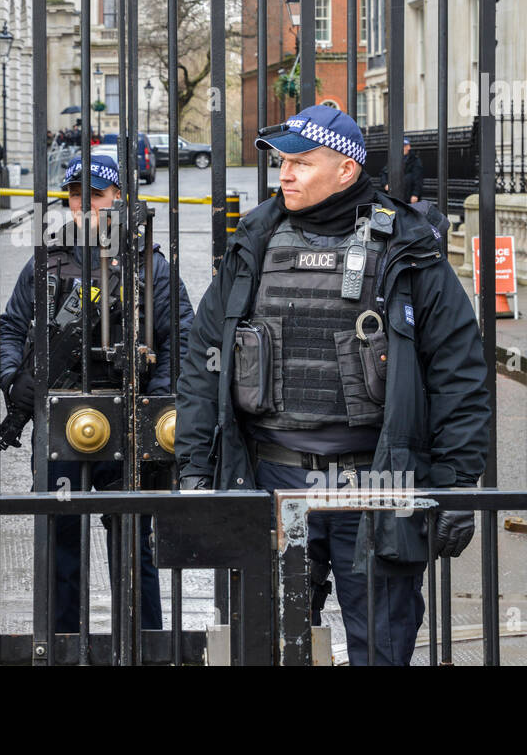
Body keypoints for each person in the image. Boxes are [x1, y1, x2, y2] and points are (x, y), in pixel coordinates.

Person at [174, 104, 488, 666]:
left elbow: (458, 377)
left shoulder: (408, 250)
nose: (285, 174)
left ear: (346, 169)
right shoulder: (255, 243)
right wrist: (197, 469)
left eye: (301, 162)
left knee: (381, 647)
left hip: (375, 484)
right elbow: (205, 361)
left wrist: (458, 485)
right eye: (281, 162)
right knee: (266, 646)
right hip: (269, 480)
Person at [0, 153, 194, 635]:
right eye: (75, 195)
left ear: (119, 199)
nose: (85, 205)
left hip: (128, 419)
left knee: (131, 543)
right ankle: (63, 642)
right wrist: (11, 379)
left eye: (97, 195)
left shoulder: (149, 264)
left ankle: (144, 644)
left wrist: (155, 405)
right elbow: (10, 327)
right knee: (61, 541)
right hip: (59, 417)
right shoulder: (48, 257)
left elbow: (179, 339)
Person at [379, 137, 424, 204]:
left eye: (404, 146)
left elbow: (418, 179)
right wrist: (385, 184)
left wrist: (415, 194)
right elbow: (384, 173)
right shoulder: (394, 159)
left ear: (409, 147)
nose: (402, 148)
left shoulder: (415, 160)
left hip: (408, 196)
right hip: (394, 195)